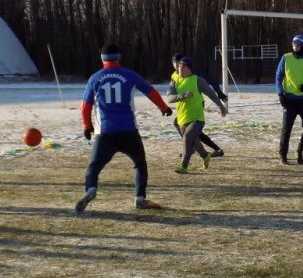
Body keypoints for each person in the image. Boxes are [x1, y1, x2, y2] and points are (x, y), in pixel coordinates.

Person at [75, 44, 173, 213]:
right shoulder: (129, 75)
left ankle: (91, 189)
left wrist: (87, 125)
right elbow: (151, 92)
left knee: (93, 166)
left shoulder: (95, 78)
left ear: (102, 59)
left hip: (104, 133)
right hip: (128, 131)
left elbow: (85, 106)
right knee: (140, 164)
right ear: (119, 57)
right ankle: (140, 198)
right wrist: (164, 107)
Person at [167, 56, 227, 174]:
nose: (180, 68)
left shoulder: (197, 80)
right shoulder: (174, 81)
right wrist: (182, 96)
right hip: (182, 118)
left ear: (189, 68)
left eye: (183, 66)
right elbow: (170, 98)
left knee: (188, 137)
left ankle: (184, 166)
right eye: (179, 66)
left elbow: (211, 94)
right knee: (194, 141)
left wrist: (220, 106)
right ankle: (205, 156)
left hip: (197, 118)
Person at [276, 33, 303, 165]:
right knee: (286, 130)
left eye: (298, 44)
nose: (295, 46)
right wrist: (280, 94)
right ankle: (283, 156)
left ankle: (300, 150)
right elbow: (278, 77)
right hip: (289, 101)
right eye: (293, 44)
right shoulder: (286, 58)